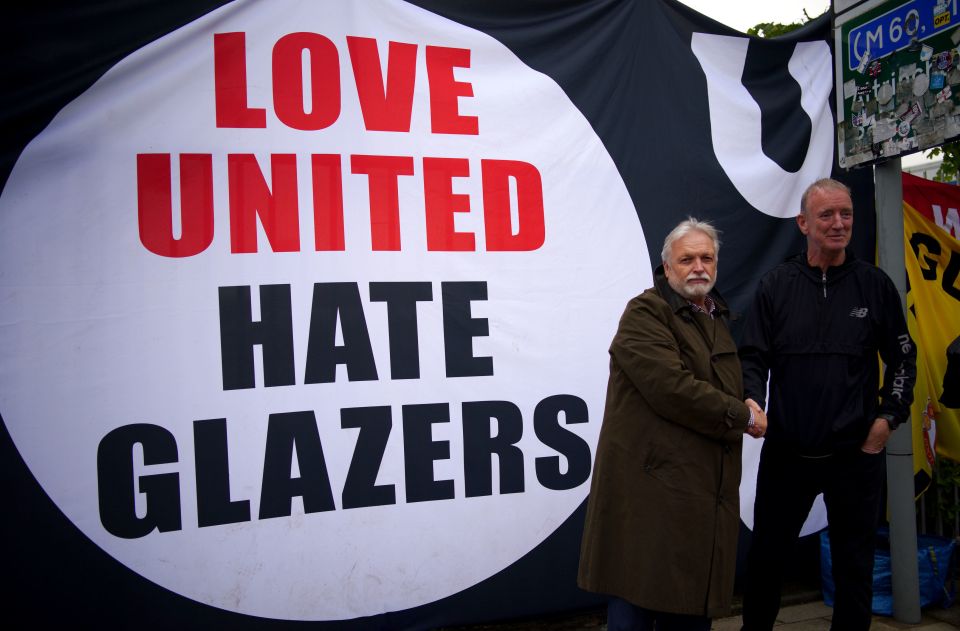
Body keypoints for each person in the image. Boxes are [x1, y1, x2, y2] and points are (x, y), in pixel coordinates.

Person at [738, 178, 917, 631]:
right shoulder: (775, 286)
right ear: (803, 223)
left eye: (846, 215)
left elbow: (902, 357)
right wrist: (751, 399)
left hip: (854, 457)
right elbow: (753, 357)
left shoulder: (874, 286)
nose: (839, 224)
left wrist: (888, 418)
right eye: (827, 215)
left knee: (853, 567)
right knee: (765, 563)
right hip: (787, 454)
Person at [578, 218, 766, 631]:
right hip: (653, 497)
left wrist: (746, 398)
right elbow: (672, 388)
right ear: (667, 268)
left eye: (707, 257)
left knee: (691, 609)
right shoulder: (646, 312)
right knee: (636, 605)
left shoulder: (715, 315)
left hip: (700, 493)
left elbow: (720, 384)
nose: (699, 266)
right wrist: (743, 415)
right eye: (687, 259)